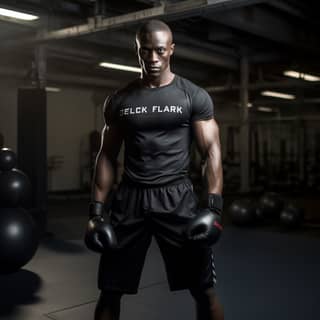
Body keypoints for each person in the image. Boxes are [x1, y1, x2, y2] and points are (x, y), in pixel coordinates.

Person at [85, 19, 224, 320]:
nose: (153, 59)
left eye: (160, 51)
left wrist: (214, 207)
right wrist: (96, 213)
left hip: (177, 198)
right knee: (110, 290)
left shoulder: (192, 95)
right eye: (145, 51)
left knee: (203, 289)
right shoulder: (119, 100)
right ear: (137, 50)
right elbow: (107, 155)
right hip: (130, 199)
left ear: (172, 49)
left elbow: (210, 151)